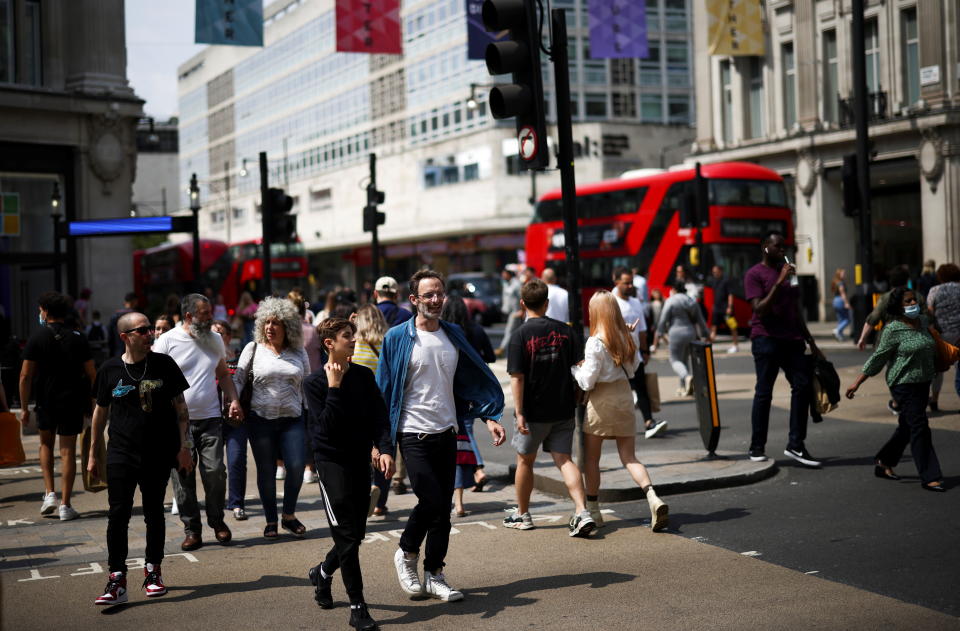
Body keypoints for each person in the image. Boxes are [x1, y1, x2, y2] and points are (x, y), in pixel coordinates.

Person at [377, 270, 506, 603]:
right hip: (412, 433)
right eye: (428, 295)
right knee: (433, 501)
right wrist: (383, 446)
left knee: (442, 508)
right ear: (414, 300)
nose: (436, 300)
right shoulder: (396, 338)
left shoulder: (454, 333)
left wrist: (488, 415)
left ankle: (434, 573)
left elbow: (470, 379)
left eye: (440, 294)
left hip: (448, 430)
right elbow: (384, 392)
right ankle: (406, 554)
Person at [88, 311, 194, 605]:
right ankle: (116, 579)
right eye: (142, 330)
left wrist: (185, 446)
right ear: (125, 337)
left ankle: (153, 571)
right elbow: (100, 413)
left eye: (150, 329)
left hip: (158, 452)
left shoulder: (164, 364)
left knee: (153, 513)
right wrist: (94, 453)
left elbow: (181, 406)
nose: (150, 334)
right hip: (121, 453)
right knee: (117, 515)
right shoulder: (109, 369)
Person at [304, 317, 394, 630]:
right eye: (346, 337)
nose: (353, 341)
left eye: (352, 336)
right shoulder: (314, 384)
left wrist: (383, 449)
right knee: (346, 534)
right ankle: (357, 605)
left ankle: (322, 573)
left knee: (354, 535)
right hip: (331, 465)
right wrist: (334, 388)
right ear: (329, 343)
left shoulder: (364, 376)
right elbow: (325, 430)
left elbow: (379, 416)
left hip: (359, 461)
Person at [571, 291, 668, 531]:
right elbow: (634, 370)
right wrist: (627, 333)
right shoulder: (626, 337)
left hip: (601, 401)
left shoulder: (594, 342)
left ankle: (593, 509)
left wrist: (574, 369)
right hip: (624, 396)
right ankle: (652, 496)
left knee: (592, 459)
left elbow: (587, 382)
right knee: (630, 458)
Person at [505, 279, 595, 536]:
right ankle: (581, 511)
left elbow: (517, 378)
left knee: (525, 461)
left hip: (533, 412)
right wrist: (580, 393)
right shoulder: (566, 332)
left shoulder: (519, 336)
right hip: (563, 407)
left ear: (522, 304)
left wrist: (520, 413)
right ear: (547, 303)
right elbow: (582, 368)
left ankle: (522, 515)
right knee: (564, 460)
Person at [152, 293, 242, 550]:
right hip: (177, 424)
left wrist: (233, 399)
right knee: (183, 477)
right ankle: (192, 529)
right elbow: (155, 381)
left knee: (215, 472)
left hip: (211, 418)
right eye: (204, 313)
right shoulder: (167, 341)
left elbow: (223, 374)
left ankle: (217, 521)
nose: (210, 316)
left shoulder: (214, 338)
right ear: (189, 316)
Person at [845, 287, 945, 492]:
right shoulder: (893, 329)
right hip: (902, 383)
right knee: (919, 425)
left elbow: (933, 344)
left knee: (908, 426)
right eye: (907, 302)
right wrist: (857, 382)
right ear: (898, 306)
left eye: (914, 300)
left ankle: (884, 462)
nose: (912, 304)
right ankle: (930, 476)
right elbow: (878, 357)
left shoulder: (924, 323)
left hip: (922, 382)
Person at [231, 297, 311, 538]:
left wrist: (313, 416)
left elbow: (307, 384)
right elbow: (237, 379)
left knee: (296, 466)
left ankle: (288, 515)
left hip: (293, 418)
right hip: (260, 419)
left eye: (276, 323)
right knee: (266, 471)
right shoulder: (252, 348)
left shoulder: (299, 351)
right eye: (266, 322)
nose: (270, 327)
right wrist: (234, 402)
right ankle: (270, 520)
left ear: (288, 327)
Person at [744, 231, 823, 467]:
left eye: (784, 246)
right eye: (778, 246)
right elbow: (759, 309)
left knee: (802, 386)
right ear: (765, 247)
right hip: (766, 340)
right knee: (764, 393)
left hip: (792, 340)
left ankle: (796, 445)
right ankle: (756, 447)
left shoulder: (790, 273)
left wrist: (812, 342)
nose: (782, 250)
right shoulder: (754, 274)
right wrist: (779, 281)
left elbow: (795, 309)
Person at [18, 292, 95, 521]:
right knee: (68, 451)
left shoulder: (36, 337)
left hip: (45, 400)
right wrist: (93, 403)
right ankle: (66, 504)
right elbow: (92, 373)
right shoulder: (78, 337)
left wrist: (23, 407)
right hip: (72, 400)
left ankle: (49, 493)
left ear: (45, 311)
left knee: (45, 444)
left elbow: (25, 376)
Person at [441, 296, 494, 497]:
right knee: (467, 429)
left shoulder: (444, 332)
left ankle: (477, 469)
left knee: (464, 432)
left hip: (453, 387)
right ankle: (474, 470)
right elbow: (490, 356)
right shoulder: (476, 330)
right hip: (475, 385)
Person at [612, 267, 666, 438]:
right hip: (617, 356)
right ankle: (616, 427)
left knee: (642, 388)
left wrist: (645, 350)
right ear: (616, 281)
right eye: (626, 283)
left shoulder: (635, 302)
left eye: (631, 283)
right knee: (620, 391)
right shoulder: (610, 302)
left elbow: (642, 329)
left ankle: (649, 422)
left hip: (635, 355)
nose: (630, 286)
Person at [350, 303, 392, 516]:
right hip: (383, 404)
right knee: (385, 450)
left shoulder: (354, 344)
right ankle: (380, 502)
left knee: (363, 451)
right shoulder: (387, 343)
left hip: (358, 405)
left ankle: (365, 491)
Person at [213, 319, 248, 521]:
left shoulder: (241, 358)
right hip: (212, 418)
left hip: (236, 419)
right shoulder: (207, 358)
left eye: (219, 333)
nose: (215, 337)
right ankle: (216, 504)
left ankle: (236, 503)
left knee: (236, 460)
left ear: (228, 336)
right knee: (215, 467)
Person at [653, 279, 709, 397]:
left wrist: (659, 333)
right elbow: (700, 320)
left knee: (674, 360)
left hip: (675, 333)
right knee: (684, 360)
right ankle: (684, 387)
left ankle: (686, 377)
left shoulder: (671, 301)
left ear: (673, 289)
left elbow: (663, 320)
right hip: (690, 332)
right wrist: (706, 334)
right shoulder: (691, 300)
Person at [290, 290, 322, 484]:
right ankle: (310, 468)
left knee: (292, 426)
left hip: (291, 384)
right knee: (311, 426)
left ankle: (282, 465)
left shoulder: (286, 333)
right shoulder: (314, 331)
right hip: (313, 383)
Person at [926, 263, 960, 412]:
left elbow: (929, 312)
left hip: (942, 335)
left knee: (937, 370)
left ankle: (934, 399)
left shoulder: (935, 290)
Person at [708, 265, 740, 353]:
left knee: (732, 326)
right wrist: (713, 305)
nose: (714, 273)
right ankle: (709, 346)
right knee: (713, 327)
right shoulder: (714, 281)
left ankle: (735, 345)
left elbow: (730, 294)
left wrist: (730, 306)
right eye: (713, 272)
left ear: (720, 271)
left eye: (716, 272)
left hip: (726, 309)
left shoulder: (726, 281)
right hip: (717, 308)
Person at [496, 267, 523, 358]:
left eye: (504, 273)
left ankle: (501, 349)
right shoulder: (506, 283)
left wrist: (522, 311)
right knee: (518, 332)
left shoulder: (517, 284)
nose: (503, 275)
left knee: (509, 330)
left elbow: (522, 298)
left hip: (515, 312)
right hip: (509, 312)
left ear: (509, 274)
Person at [107, 292, 138, 357]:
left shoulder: (114, 316)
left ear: (125, 301)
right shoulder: (137, 316)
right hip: (133, 353)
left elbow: (110, 337)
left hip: (117, 352)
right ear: (134, 301)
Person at [831, 268, 852, 342]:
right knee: (847, 319)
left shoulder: (835, 282)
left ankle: (840, 336)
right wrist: (846, 303)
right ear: (839, 274)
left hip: (835, 300)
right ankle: (837, 330)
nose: (844, 275)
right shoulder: (841, 283)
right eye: (843, 273)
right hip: (840, 301)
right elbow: (842, 293)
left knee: (841, 320)